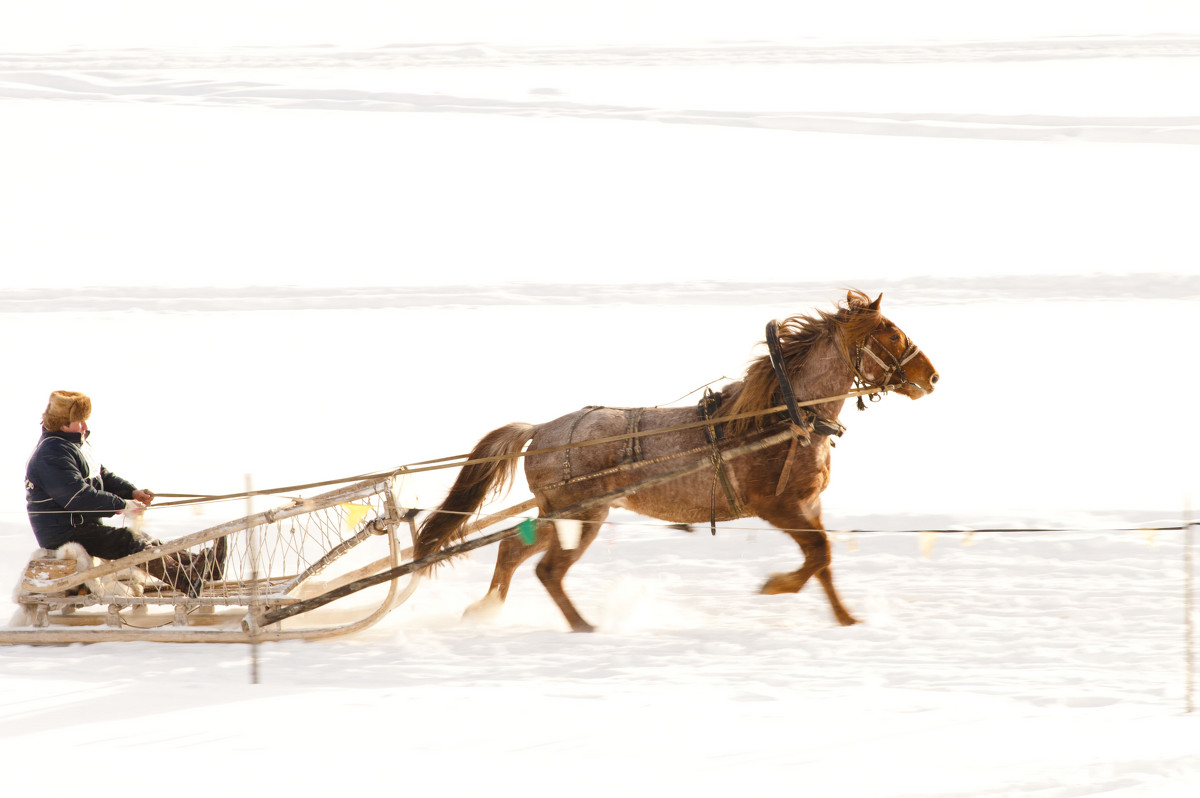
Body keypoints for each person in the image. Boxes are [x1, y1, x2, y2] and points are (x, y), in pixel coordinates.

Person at [24, 390, 222, 597]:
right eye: (80, 421)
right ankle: (185, 579)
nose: (85, 426)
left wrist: (132, 492)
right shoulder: (51, 454)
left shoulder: (71, 446)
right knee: (130, 541)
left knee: (140, 537)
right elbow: (78, 497)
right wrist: (121, 504)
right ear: (63, 423)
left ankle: (202, 565)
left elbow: (102, 477)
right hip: (63, 533)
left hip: (81, 526)